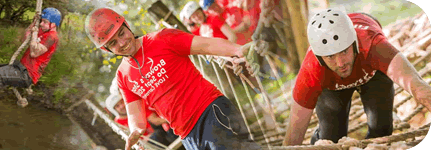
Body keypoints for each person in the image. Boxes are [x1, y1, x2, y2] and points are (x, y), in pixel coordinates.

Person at [85, 7, 263, 150]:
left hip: (210, 111)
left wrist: (237, 50)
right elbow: (135, 115)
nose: (122, 43)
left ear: (127, 26)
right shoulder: (123, 76)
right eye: (113, 43)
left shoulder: (162, 39)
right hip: (186, 135)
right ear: (106, 49)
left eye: (121, 34)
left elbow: (206, 45)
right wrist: (135, 132)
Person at [282, 9, 431, 145]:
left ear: (355, 44)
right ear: (320, 58)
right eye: (330, 56)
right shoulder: (311, 69)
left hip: (373, 73)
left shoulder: (374, 45)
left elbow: (418, 87)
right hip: (332, 85)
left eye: (344, 51)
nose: (341, 63)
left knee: (381, 131)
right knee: (329, 140)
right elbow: (294, 135)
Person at [105, 76, 179, 146]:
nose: (121, 106)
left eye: (121, 102)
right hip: (166, 127)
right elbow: (154, 120)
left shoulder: (141, 96)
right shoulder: (135, 106)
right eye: (121, 92)